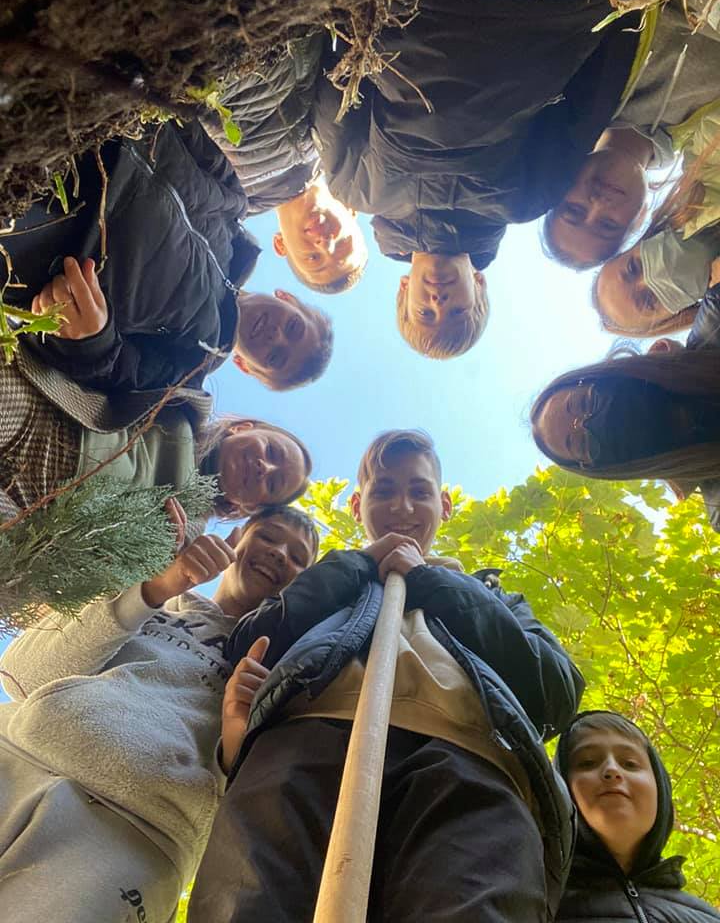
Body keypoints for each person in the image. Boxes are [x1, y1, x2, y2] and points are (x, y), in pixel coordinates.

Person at [187, 428, 584, 923]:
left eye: (419, 491)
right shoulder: (334, 581)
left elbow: (556, 693)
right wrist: (355, 567)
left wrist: (430, 581)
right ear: (357, 506)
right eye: (384, 491)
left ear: (444, 505)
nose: (402, 506)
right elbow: (249, 641)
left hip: (470, 763)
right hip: (303, 748)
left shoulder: (493, 596)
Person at [0, 504, 318, 923]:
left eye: (298, 557)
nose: (279, 553)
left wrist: (238, 737)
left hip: (134, 834)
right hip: (13, 757)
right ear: (236, 537)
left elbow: (258, 810)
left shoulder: (285, 672)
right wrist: (152, 589)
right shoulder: (147, 594)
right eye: (269, 536)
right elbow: (21, 675)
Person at [312, 0, 645, 356]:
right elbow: (586, 108)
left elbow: (336, 76)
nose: (439, 302)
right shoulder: (523, 201)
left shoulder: (356, 188)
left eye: (425, 313)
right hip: (543, 1)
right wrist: (625, 5)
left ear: (403, 289)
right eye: (457, 312)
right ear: (479, 285)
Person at [3, 120, 333, 392]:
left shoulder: (190, 362)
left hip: (47, 230)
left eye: (275, 357)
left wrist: (91, 340)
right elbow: (188, 129)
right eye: (293, 327)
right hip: (96, 123)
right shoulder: (234, 212)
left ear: (245, 366)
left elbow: (120, 373)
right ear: (288, 298)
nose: (276, 337)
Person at [0, 342, 312, 524]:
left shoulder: (187, 535)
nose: (264, 467)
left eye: (273, 483)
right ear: (243, 428)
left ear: (250, 507)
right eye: (272, 451)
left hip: (32, 508)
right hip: (46, 419)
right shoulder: (187, 401)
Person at [544, 0, 720, 270]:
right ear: (639, 219)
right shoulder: (705, 148)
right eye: (608, 224)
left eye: (574, 210)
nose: (597, 203)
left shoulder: (579, 83)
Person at [204, 34, 368, 294]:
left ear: (280, 245)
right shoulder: (340, 148)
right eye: (343, 243)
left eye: (313, 259)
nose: (325, 244)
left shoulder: (232, 202)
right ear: (351, 210)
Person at [529, 337, 720, 531]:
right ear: (601, 468)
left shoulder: (713, 330)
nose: (589, 424)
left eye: (583, 403)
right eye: (582, 443)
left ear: (597, 377)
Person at [554, 710, 720, 922]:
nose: (611, 770)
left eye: (630, 763)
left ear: (660, 790)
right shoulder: (533, 901)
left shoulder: (706, 918)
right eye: (587, 762)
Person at [590, 107, 720, 336]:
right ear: (678, 314)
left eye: (633, 268)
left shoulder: (701, 168)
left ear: (641, 243)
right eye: (649, 300)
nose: (648, 280)